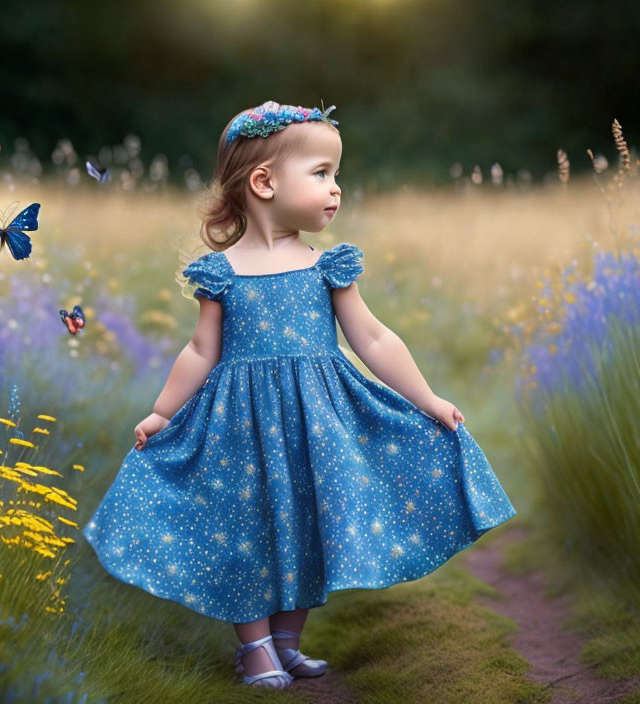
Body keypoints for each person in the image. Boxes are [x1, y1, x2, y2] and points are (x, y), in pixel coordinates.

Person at [82, 100, 517, 690]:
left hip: (318, 421)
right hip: (239, 425)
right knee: (244, 525)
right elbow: (201, 351)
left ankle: (286, 641)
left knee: (309, 521)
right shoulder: (222, 273)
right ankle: (255, 648)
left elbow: (373, 337)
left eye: (337, 175)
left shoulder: (326, 267)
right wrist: (163, 412)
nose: (337, 189)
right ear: (263, 182)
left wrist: (427, 399)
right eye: (321, 174)